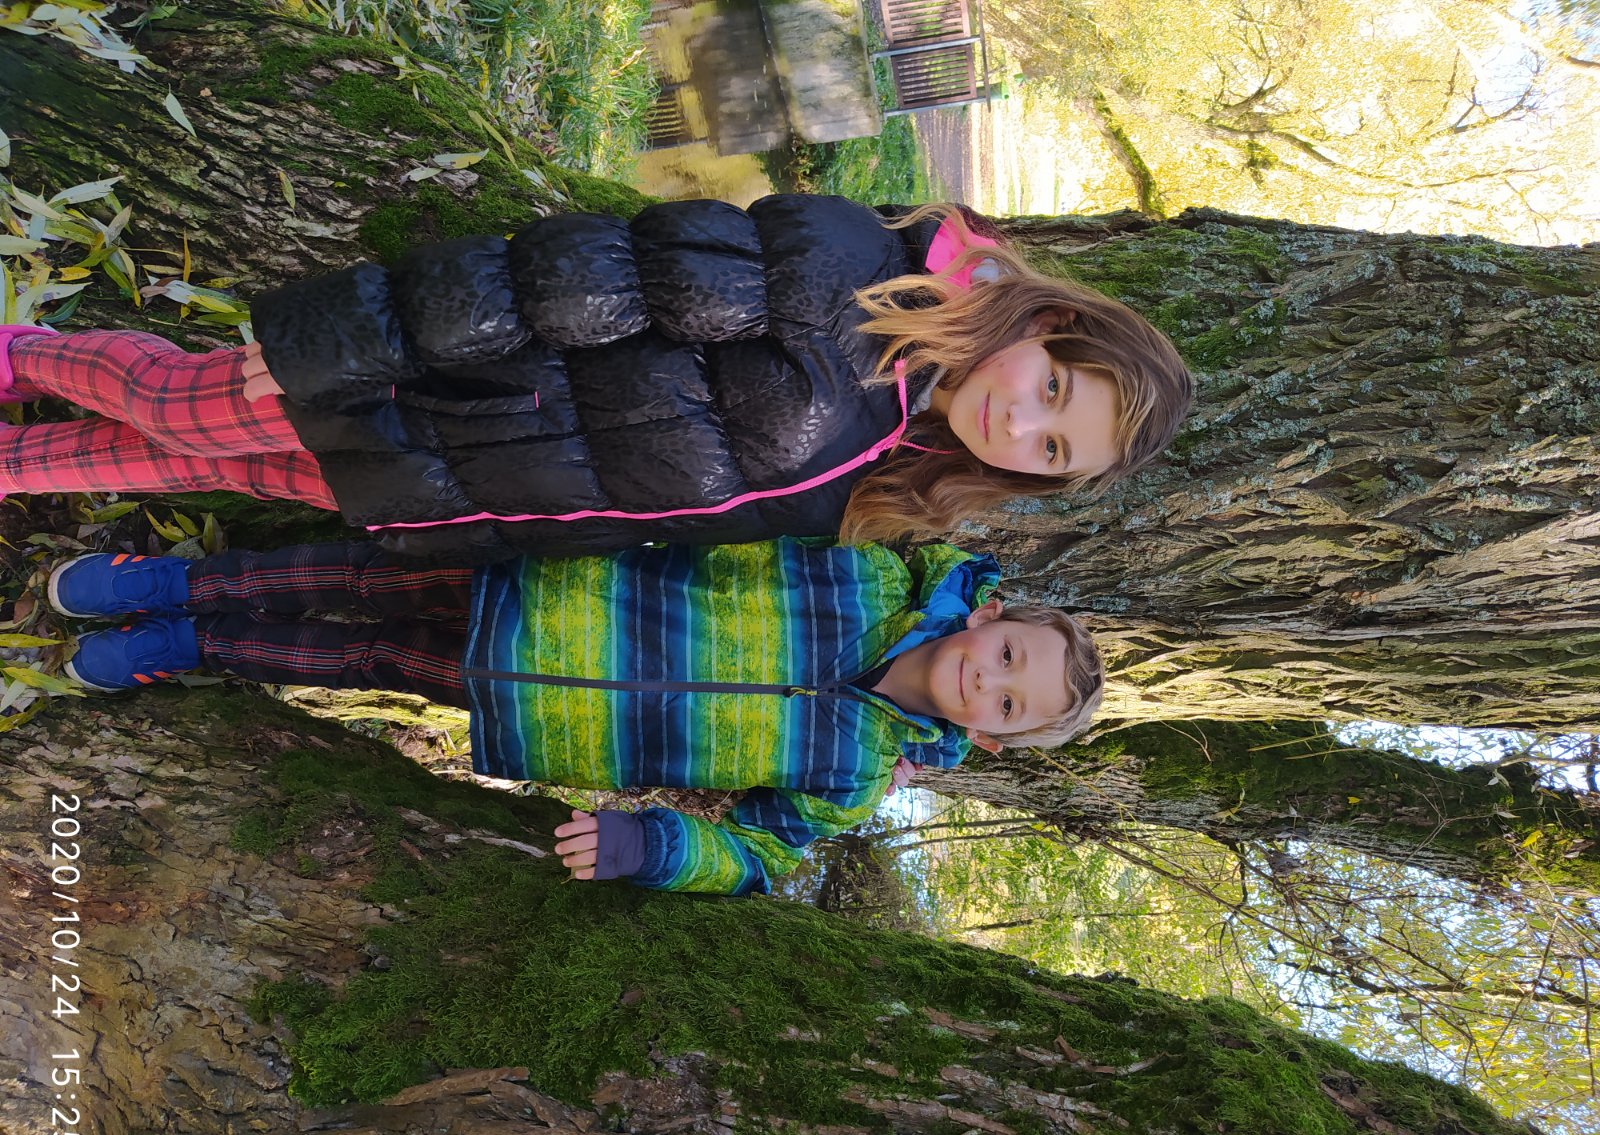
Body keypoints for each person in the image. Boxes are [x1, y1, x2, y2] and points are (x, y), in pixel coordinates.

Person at [0, 196, 1192, 559]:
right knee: (172, 404)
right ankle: (20, 353)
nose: (1019, 423)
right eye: (1052, 391)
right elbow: (570, 284)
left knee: (177, 462)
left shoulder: (892, 475)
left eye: (1050, 450)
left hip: (448, 482)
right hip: (430, 382)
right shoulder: (845, 274)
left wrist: (463, 527)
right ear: (1047, 323)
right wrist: (350, 339)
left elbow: (645, 517)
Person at [47, 537, 1105, 896]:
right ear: (992, 617)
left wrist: (655, 847)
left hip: (535, 703)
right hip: (546, 588)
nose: (990, 680)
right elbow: (719, 524)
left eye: (1010, 704)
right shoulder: (866, 571)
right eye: (1009, 655)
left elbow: (759, 856)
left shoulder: (855, 777)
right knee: (352, 576)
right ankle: (173, 582)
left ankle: (185, 649)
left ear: (993, 737)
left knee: (364, 657)